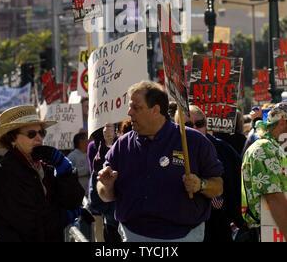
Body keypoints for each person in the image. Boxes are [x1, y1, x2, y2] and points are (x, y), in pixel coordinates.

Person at [97, 80, 224, 242]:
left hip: (184, 236)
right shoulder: (122, 145)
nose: (129, 113)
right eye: (130, 107)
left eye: (136, 107)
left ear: (155, 110)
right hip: (134, 235)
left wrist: (201, 185)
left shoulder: (194, 141)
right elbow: (104, 193)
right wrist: (106, 186)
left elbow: (218, 186)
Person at [0, 105, 85, 242]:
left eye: (41, 133)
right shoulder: (4, 173)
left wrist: (66, 171)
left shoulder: (45, 165)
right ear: (12, 139)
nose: (39, 138)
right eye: (31, 134)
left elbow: (73, 201)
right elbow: (32, 225)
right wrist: (65, 216)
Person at [174, 105, 244, 242]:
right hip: (182, 228)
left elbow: (237, 184)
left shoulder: (223, 149)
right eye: (188, 125)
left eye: (199, 124)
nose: (194, 128)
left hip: (218, 226)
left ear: (206, 125)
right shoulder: (170, 150)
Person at [241, 102, 287, 241]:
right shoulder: (264, 149)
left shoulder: (273, 147)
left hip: (273, 228)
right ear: (282, 123)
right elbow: (274, 198)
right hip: (267, 230)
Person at [67, 132, 90, 196]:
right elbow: (68, 173)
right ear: (81, 141)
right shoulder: (72, 156)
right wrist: (86, 170)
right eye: (87, 140)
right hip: (77, 192)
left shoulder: (88, 154)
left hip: (88, 191)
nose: (89, 142)